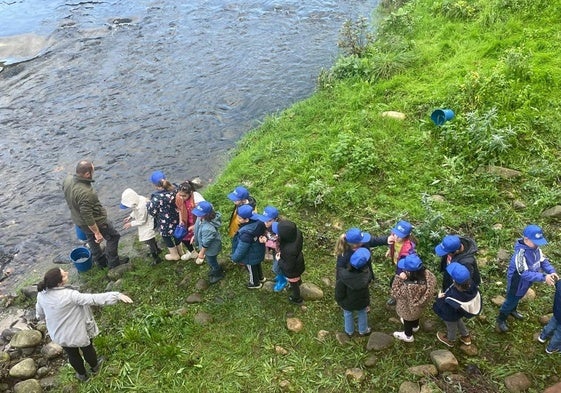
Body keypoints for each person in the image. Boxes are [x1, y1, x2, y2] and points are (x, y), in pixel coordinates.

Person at [35, 268, 133, 382]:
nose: (67, 273)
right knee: (88, 349)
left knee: (72, 355)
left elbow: (40, 314)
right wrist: (116, 295)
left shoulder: (41, 295)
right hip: (78, 332)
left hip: (60, 334)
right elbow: (93, 299)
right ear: (59, 283)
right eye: (64, 275)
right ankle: (95, 367)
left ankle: (82, 376)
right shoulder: (70, 295)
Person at [62, 160, 129, 269]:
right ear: (87, 174)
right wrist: (97, 232)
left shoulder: (67, 180)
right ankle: (113, 263)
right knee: (113, 237)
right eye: (93, 170)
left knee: (90, 238)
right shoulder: (87, 193)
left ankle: (100, 261)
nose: (94, 172)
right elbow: (87, 216)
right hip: (95, 221)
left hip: (78, 221)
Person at [496, 225, 558, 333]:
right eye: (535, 242)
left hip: (527, 282)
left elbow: (543, 261)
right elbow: (523, 273)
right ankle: (501, 319)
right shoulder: (520, 254)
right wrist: (544, 277)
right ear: (526, 239)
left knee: (519, 297)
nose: (537, 245)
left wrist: (551, 271)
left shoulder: (536, 248)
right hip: (517, 282)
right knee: (511, 300)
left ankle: (513, 310)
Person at [433, 262, 481, 347]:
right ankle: (465, 336)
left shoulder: (452, 296)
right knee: (458, 320)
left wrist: (439, 298)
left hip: (451, 314)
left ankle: (450, 340)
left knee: (451, 327)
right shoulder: (472, 285)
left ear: (454, 281)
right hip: (460, 311)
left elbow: (445, 309)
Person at [391, 254, 437, 342]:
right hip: (419, 307)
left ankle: (408, 336)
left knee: (407, 319)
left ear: (410, 272)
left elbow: (395, 292)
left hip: (408, 308)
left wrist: (399, 278)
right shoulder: (428, 276)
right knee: (415, 315)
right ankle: (415, 326)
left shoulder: (409, 287)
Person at [335, 248, 372, 337]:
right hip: (362, 300)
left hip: (347, 301)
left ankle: (349, 331)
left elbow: (339, 290)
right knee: (362, 313)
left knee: (348, 313)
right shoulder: (367, 274)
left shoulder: (343, 275)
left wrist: (339, 300)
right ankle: (363, 330)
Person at [147, 171, 183, 261]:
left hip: (165, 223)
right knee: (177, 234)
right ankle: (181, 252)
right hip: (177, 218)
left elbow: (152, 211)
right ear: (165, 179)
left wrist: (148, 203)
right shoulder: (175, 188)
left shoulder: (156, 198)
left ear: (155, 185)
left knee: (166, 237)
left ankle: (174, 255)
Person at [120, 188, 162, 266]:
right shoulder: (138, 200)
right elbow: (134, 210)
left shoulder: (142, 206)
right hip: (146, 222)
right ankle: (157, 249)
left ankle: (156, 257)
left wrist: (130, 224)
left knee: (149, 240)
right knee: (150, 239)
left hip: (149, 224)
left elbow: (142, 221)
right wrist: (130, 217)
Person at [230, 204, 266, 289]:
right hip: (258, 250)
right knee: (257, 264)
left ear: (246, 219)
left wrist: (234, 258)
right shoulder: (259, 221)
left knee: (251, 268)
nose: (237, 219)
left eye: (239, 218)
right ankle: (261, 278)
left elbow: (241, 249)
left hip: (250, 255)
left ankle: (255, 283)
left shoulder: (246, 234)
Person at [272, 220, 305, 304]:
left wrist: (279, 259)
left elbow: (288, 266)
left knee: (294, 284)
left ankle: (296, 298)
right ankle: (299, 281)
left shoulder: (289, 250)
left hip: (292, 271)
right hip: (299, 261)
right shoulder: (297, 233)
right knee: (297, 278)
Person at [386, 220, 417, 306]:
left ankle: (396, 297)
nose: (396, 237)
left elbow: (403, 263)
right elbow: (391, 244)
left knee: (397, 282)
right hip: (397, 260)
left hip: (403, 266)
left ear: (406, 237)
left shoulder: (408, 249)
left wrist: (400, 272)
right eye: (395, 234)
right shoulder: (394, 235)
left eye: (400, 236)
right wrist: (389, 250)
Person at [192, 201, 224, 284]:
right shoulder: (202, 218)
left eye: (199, 213)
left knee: (211, 261)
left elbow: (206, 243)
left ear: (206, 214)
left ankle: (217, 273)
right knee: (211, 260)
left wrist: (201, 253)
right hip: (207, 244)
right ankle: (215, 269)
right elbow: (198, 228)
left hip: (211, 249)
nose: (197, 215)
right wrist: (194, 236)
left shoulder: (208, 228)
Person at [176, 180, 205, 262]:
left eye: (184, 196)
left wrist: (196, 225)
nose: (181, 197)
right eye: (180, 195)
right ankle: (192, 252)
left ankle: (202, 254)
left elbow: (203, 214)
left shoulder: (197, 199)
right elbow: (180, 209)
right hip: (186, 221)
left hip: (197, 221)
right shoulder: (179, 197)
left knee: (200, 238)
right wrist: (181, 221)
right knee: (184, 237)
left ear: (190, 193)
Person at [255, 206, 283, 289]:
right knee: (276, 265)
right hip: (275, 251)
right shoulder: (267, 226)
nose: (266, 223)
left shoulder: (279, 229)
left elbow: (280, 243)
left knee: (276, 268)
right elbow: (266, 234)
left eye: (269, 221)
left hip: (282, 253)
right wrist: (263, 237)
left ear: (275, 219)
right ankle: (280, 276)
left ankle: (283, 280)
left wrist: (266, 242)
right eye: (264, 220)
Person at [538, 280, 561, 354]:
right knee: (559, 334)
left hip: (557, 312)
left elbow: (557, 283)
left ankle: (542, 337)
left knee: (551, 324)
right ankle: (551, 348)